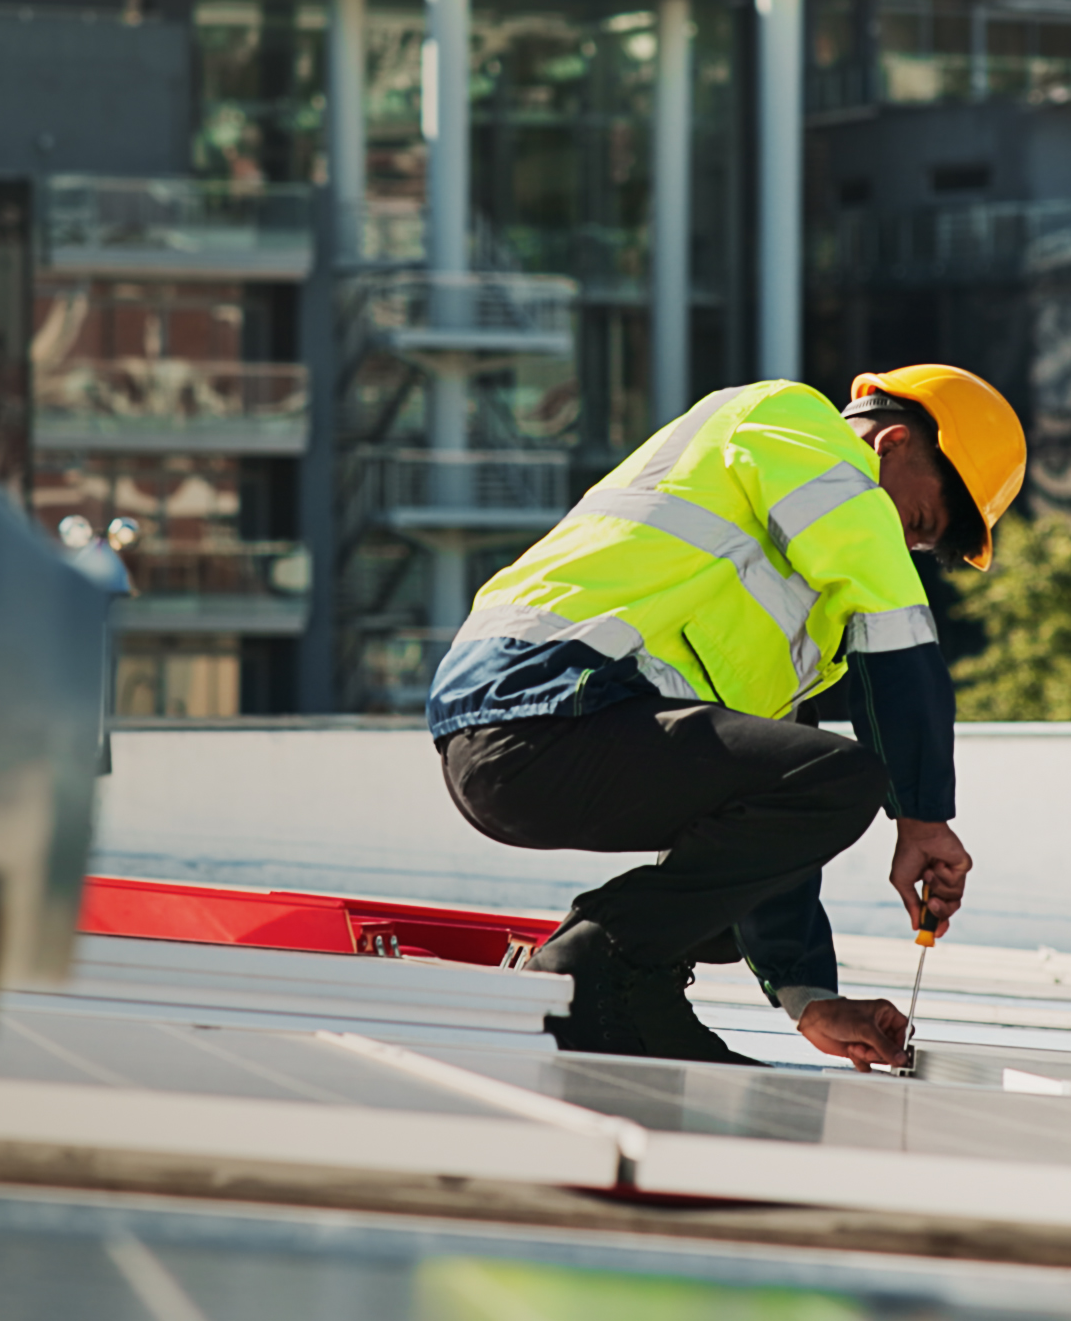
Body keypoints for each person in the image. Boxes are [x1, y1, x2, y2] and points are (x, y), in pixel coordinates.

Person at [424, 365, 1026, 1067]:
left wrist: (809, 996)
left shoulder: (798, 598)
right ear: (891, 443)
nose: (909, 551)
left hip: (548, 730)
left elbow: (772, 803)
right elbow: (894, 630)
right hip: (538, 699)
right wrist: (922, 815)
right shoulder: (795, 425)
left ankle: (626, 995)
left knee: (791, 801)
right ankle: (594, 964)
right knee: (842, 780)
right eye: (916, 525)